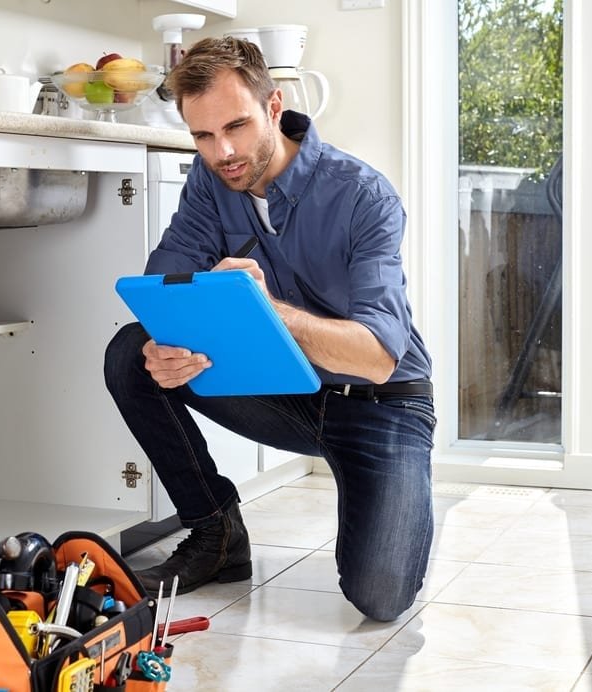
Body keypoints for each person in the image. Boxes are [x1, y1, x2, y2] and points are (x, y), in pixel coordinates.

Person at [104, 37, 435, 622]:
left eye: (236, 126)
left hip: (382, 403)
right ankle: (216, 537)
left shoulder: (364, 195)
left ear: (274, 106)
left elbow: (381, 355)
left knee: (380, 597)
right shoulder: (211, 182)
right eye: (203, 136)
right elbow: (165, 278)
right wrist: (168, 343)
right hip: (288, 391)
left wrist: (269, 308)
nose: (223, 150)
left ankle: (388, 491)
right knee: (132, 353)